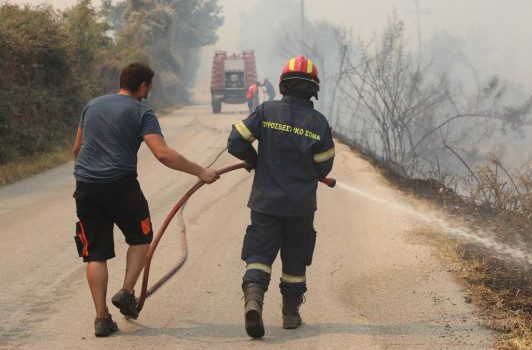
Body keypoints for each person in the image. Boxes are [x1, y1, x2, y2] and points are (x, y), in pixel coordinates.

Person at [72, 62, 220, 337]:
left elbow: (77, 149)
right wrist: (202, 171)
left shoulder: (91, 106)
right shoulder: (142, 111)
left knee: (95, 253)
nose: (149, 92)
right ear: (142, 86)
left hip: (86, 186)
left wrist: (86, 180)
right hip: (120, 185)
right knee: (141, 238)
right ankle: (127, 292)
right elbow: (162, 154)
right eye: (149, 88)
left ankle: (101, 318)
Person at [227, 56, 335, 338]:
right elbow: (324, 165)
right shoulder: (318, 122)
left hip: (265, 203)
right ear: (313, 90)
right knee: (295, 259)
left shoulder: (266, 110)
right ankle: (290, 314)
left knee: (259, 256)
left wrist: (253, 159)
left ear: (283, 85)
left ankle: (253, 302)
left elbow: (236, 141)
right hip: (300, 206)